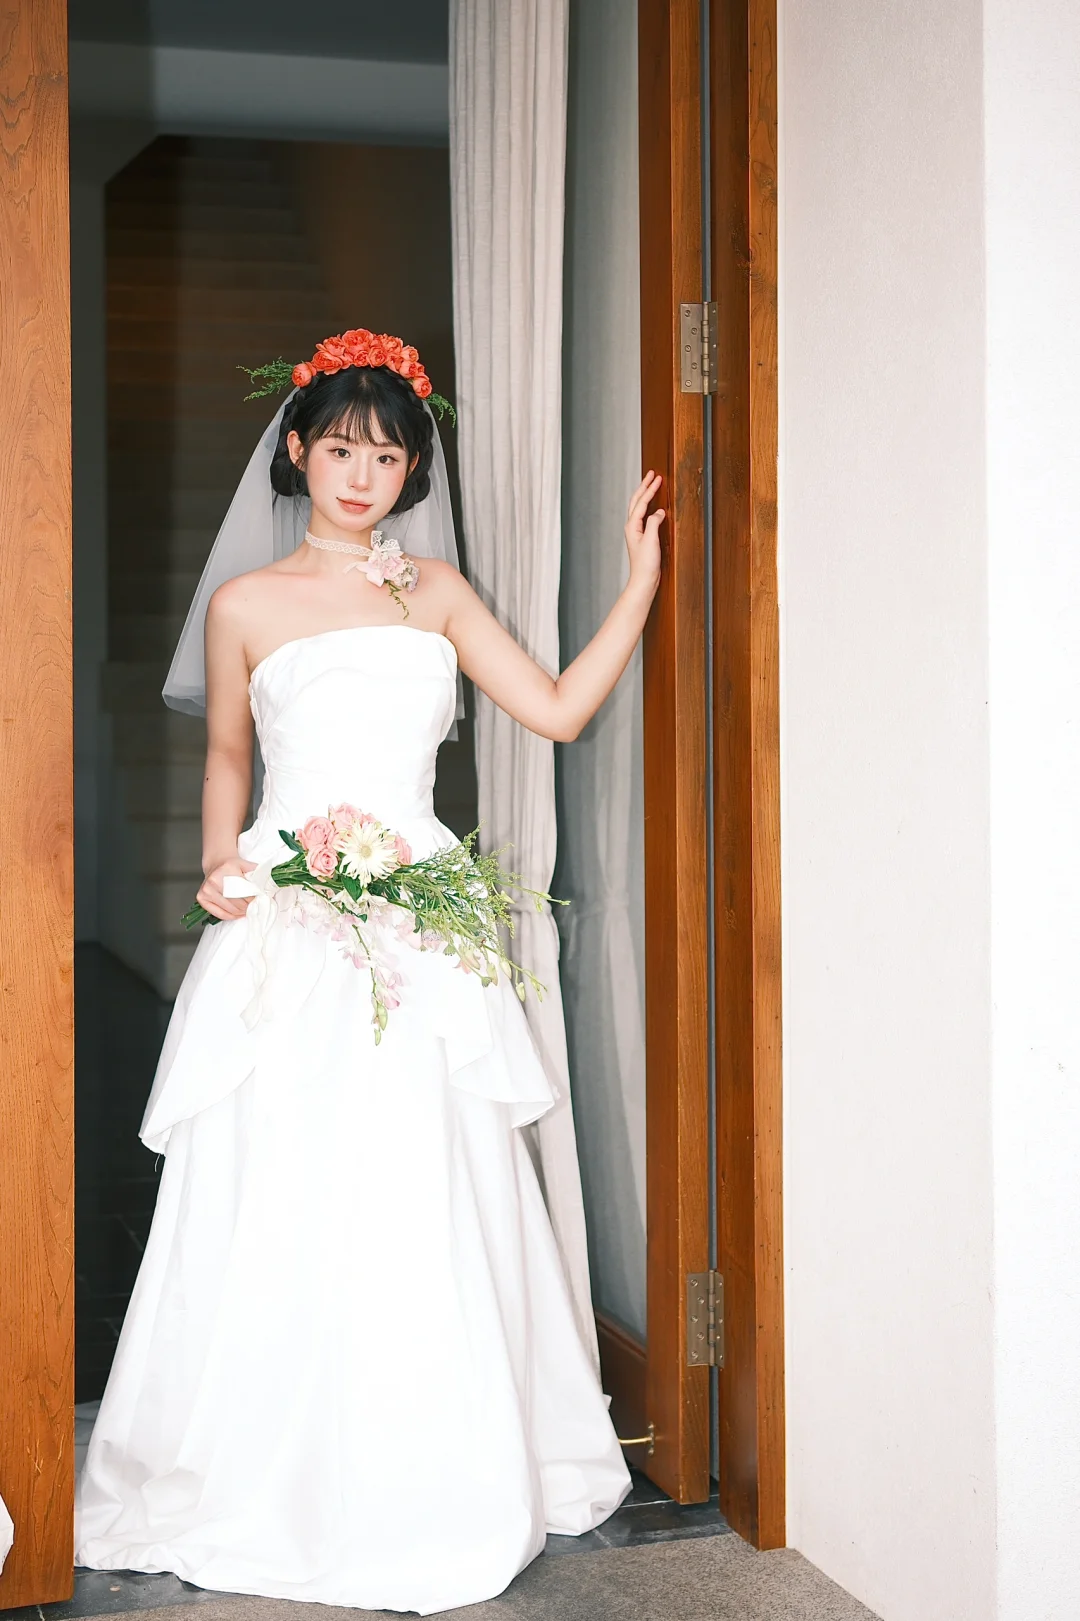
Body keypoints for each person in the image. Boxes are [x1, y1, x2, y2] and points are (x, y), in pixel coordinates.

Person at [73, 329, 665, 1615]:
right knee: (280, 1176)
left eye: (388, 456)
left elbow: (558, 710)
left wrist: (638, 583)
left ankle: (427, 1464)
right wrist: (219, 859)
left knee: (419, 1177)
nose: (362, 474)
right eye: (341, 447)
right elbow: (229, 756)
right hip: (289, 915)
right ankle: (261, 1468)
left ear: (411, 474)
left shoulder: (436, 592)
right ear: (296, 450)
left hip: (417, 918)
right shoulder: (244, 604)